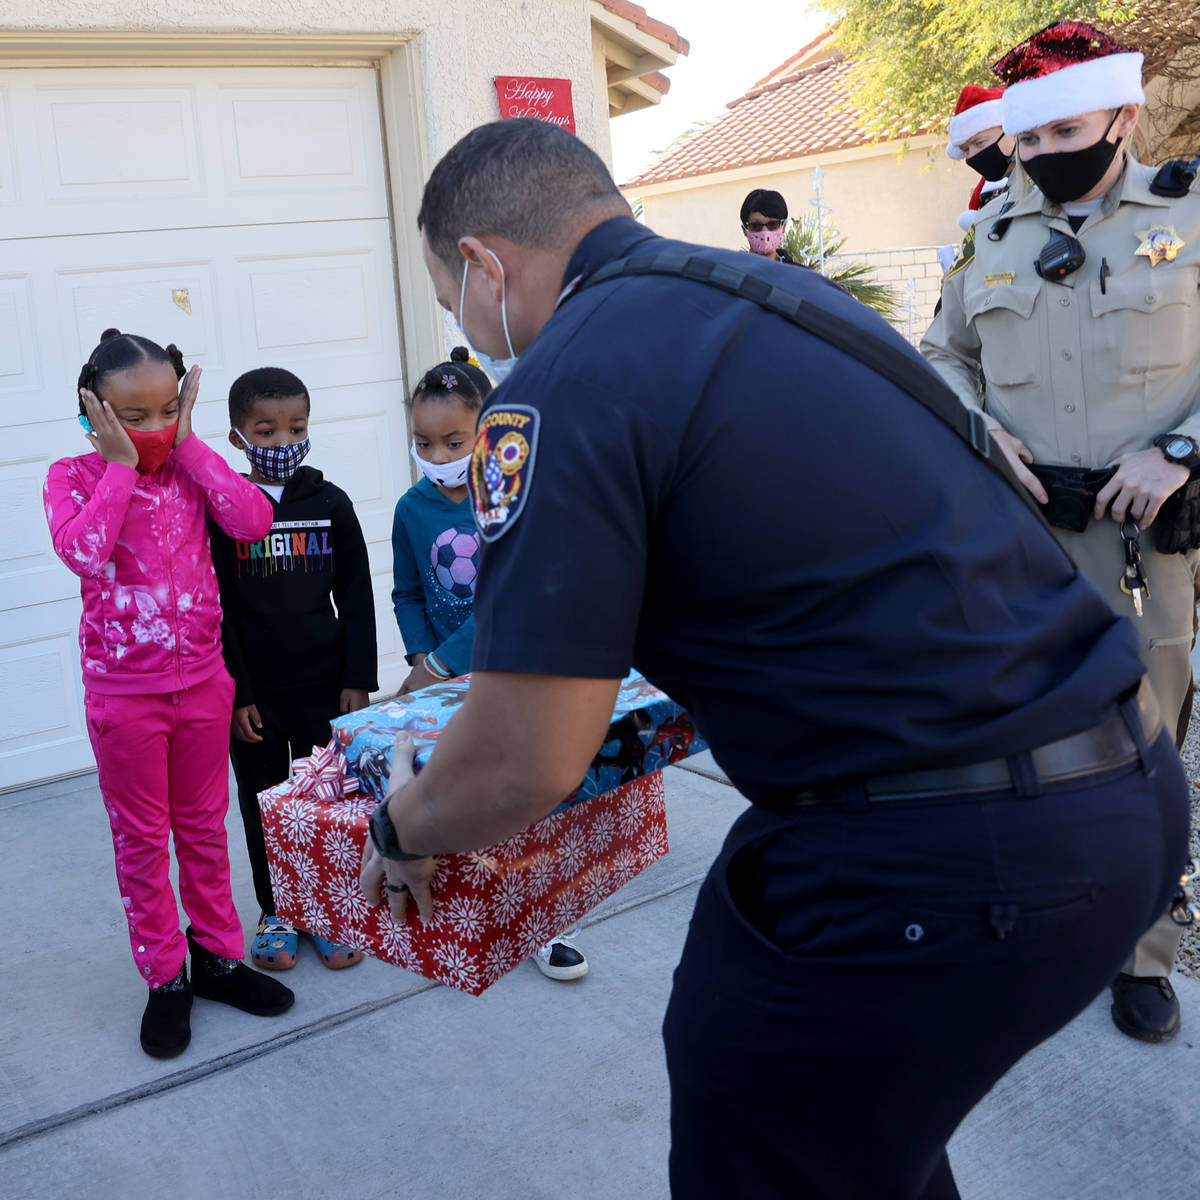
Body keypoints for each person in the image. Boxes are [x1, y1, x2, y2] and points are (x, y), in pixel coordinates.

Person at [357, 117, 1188, 1198]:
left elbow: (523, 760)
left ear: (482, 264)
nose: (468, 328)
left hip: (937, 855)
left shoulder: (559, 381)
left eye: (451, 299)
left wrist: (402, 825)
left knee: (761, 1158)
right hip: (1124, 786)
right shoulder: (790, 302)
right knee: (858, 1146)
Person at [921, 19, 1200, 1045]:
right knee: (1020, 745)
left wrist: (1177, 450)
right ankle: (1037, 931)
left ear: (1124, 116)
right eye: (1028, 141)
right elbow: (942, 354)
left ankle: (1143, 954)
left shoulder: (1191, 213)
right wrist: (977, 426)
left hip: (1146, 540)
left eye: (1064, 132)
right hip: (1027, 538)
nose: (1041, 156)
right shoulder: (992, 234)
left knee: (1148, 749)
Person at [43, 330, 294, 1059]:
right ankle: (166, 977)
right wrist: (120, 466)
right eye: (132, 416)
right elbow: (83, 553)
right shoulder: (74, 475)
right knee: (144, 843)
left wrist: (190, 446)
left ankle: (216, 958)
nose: (151, 430)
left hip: (204, 687)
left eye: (164, 411)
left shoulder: (190, 470)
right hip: (126, 696)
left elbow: (253, 520)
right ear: (93, 412)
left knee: (204, 830)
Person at [390, 348, 588, 981]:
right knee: (464, 789)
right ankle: (475, 904)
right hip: (447, 681)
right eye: (425, 442)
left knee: (530, 793)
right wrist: (420, 655)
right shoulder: (410, 510)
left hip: (515, 670)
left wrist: (440, 665)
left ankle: (551, 920)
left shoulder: (511, 499)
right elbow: (408, 592)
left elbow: (512, 596)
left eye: (454, 441)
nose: (439, 456)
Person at [209, 367, 377, 972]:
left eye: (296, 427)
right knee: (262, 804)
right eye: (266, 429)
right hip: (253, 696)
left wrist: (357, 679)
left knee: (320, 804)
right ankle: (276, 909)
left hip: (324, 688)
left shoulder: (331, 504)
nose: (283, 441)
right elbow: (218, 609)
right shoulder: (222, 509)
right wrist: (236, 694)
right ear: (237, 437)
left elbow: (356, 597)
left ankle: (325, 910)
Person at [945, 84, 1016, 233]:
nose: (973, 154)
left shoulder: (1045, 177)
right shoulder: (983, 194)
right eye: (965, 150)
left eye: (979, 143)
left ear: (1012, 130)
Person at [739, 188, 797, 263]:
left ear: (783, 227)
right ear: (744, 230)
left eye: (772, 224)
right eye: (756, 225)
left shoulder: (800, 273)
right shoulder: (731, 273)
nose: (765, 231)